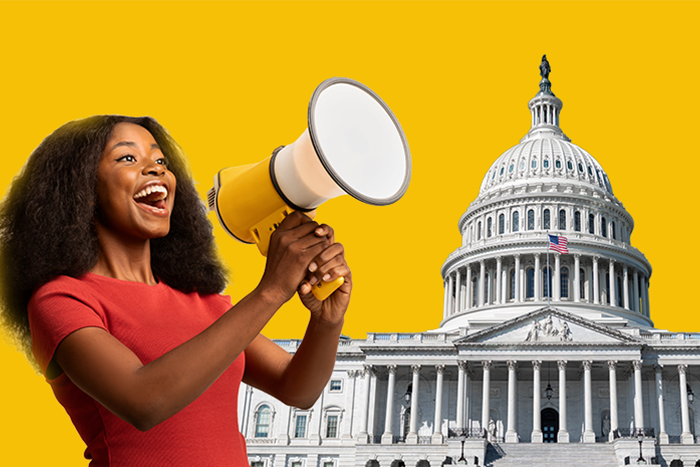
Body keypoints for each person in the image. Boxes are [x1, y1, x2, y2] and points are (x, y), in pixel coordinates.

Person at [0, 115, 352, 466]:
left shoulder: (204, 301)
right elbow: (144, 402)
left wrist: (326, 322)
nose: (155, 170)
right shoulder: (60, 299)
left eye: (160, 161)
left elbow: (297, 389)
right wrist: (271, 291)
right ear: (82, 189)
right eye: (127, 158)